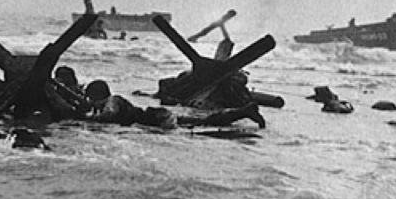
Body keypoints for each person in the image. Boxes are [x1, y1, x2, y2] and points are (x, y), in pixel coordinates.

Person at [85, 79, 265, 129]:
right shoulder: (113, 100)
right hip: (157, 116)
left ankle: (244, 112)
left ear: (97, 96)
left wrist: (89, 119)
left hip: (157, 119)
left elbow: (109, 114)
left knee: (204, 123)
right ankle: (243, 112)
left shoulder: (112, 100)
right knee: (204, 121)